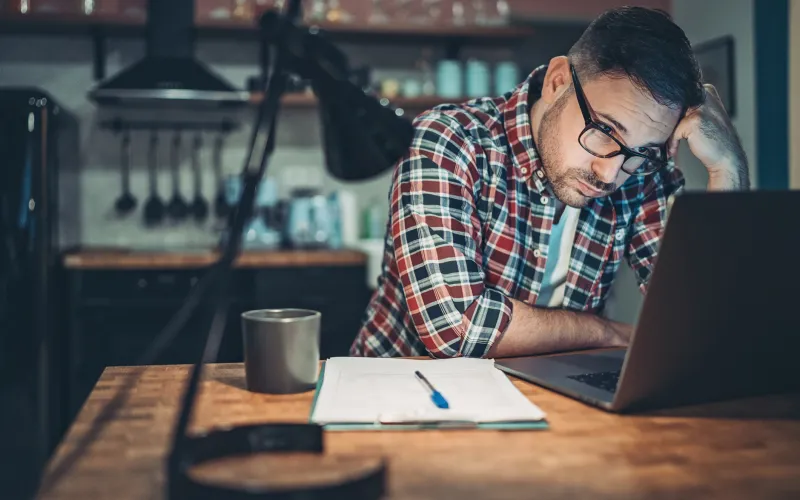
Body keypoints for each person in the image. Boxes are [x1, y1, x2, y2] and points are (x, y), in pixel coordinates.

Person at [350, 6, 749, 359]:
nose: (610, 174)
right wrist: (606, 332)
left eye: (642, 151)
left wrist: (728, 168)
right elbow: (456, 328)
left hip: (553, 399)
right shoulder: (449, 139)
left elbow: (704, 324)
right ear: (558, 81)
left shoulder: (638, 169)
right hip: (405, 396)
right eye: (605, 131)